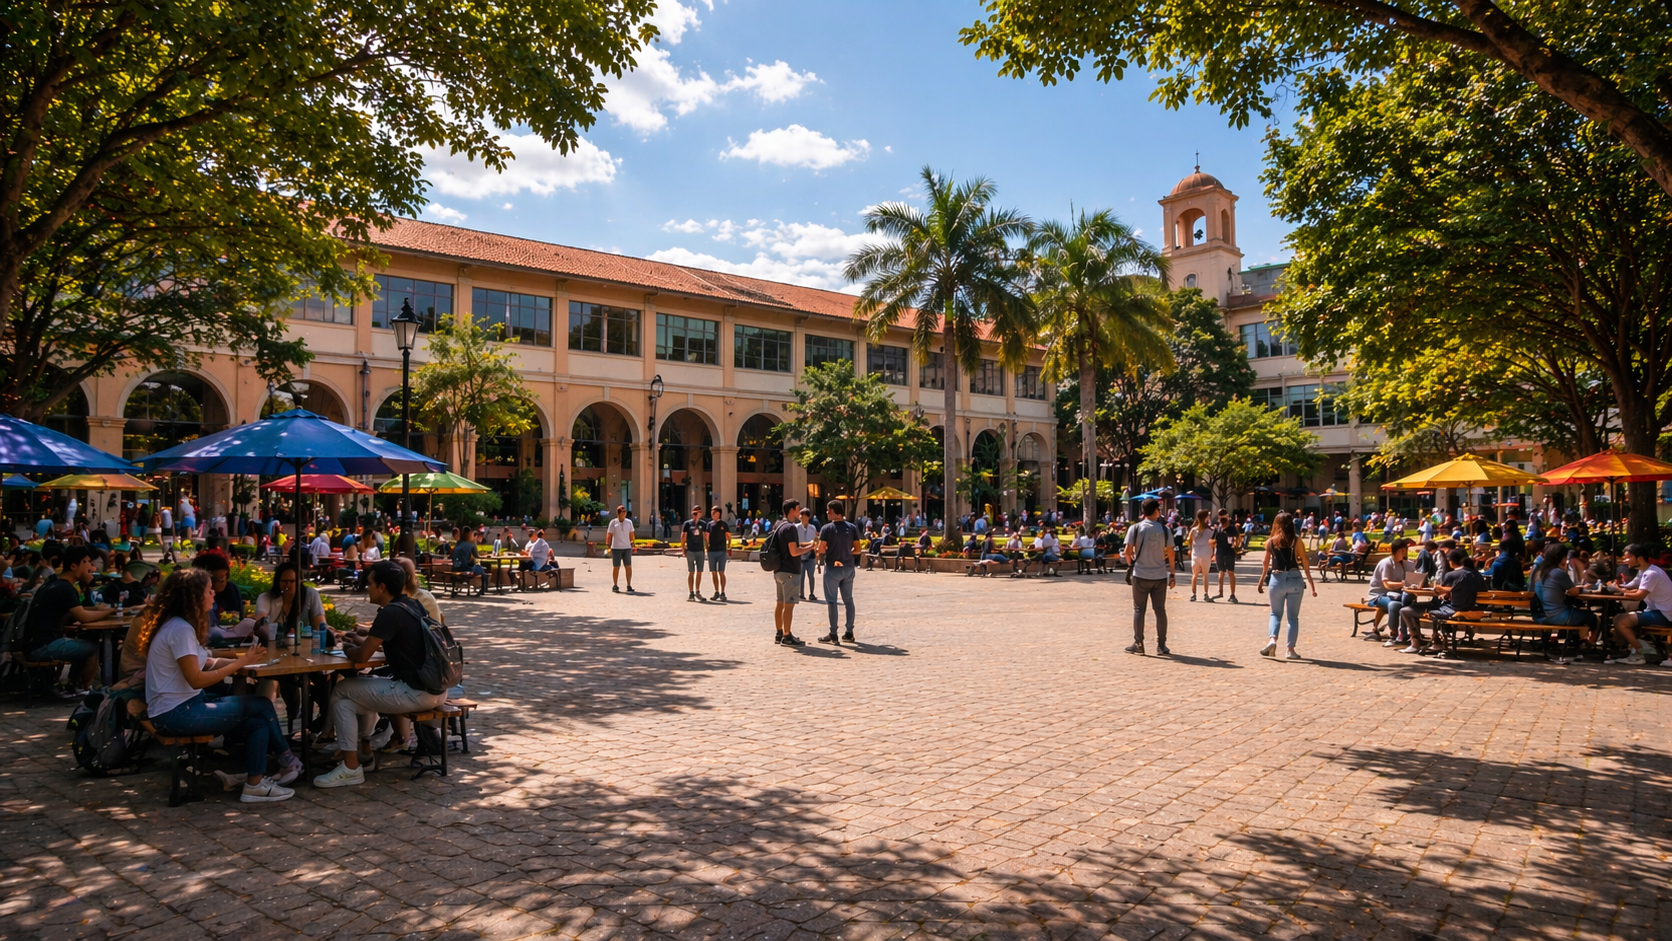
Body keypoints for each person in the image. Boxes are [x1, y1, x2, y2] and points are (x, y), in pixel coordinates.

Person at [138, 568, 300, 802]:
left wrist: (244, 662)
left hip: (180, 708)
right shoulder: (181, 630)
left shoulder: (178, 625)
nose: (213, 594)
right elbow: (196, 678)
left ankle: (255, 784)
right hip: (176, 714)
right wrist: (240, 663)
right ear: (194, 597)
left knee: (257, 722)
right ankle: (288, 760)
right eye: (209, 591)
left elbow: (205, 662)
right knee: (262, 704)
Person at [314, 561, 448, 787]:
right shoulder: (412, 605)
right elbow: (382, 643)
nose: (367, 588)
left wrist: (346, 647)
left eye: (370, 583)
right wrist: (356, 642)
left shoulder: (391, 612)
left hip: (415, 692)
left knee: (343, 688)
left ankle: (344, 758)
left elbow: (362, 656)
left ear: (382, 587)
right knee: (346, 702)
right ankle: (359, 756)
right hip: (435, 689)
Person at [21, 546, 110, 696]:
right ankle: (83, 688)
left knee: (85, 641)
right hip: (42, 646)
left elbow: (78, 610)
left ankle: (73, 685)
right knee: (92, 647)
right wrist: (109, 612)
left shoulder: (54, 581)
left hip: (32, 644)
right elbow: (83, 616)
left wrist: (97, 607)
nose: (92, 567)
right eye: (87, 562)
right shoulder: (66, 588)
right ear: (74, 566)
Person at [1398, 548, 1486, 653]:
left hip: (1454, 610)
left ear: (1451, 561)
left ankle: (1417, 642)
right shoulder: (1477, 575)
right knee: (1427, 608)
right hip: (1475, 610)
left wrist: (1441, 590)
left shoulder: (1452, 575)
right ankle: (1435, 639)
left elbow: (1440, 590)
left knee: (1406, 610)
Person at [1257, 511, 1317, 659]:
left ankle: (1272, 639)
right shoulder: (1296, 541)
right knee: (1293, 617)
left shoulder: (1271, 542)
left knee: (1275, 614)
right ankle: (1290, 650)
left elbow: (1265, 564)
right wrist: (1311, 584)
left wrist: (1261, 581)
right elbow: (1305, 562)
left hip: (1277, 579)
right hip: (1294, 578)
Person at [1606, 543, 1672, 666]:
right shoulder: (1643, 571)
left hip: (1665, 615)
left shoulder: (1651, 574)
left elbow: (1639, 595)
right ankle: (1636, 650)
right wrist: (1619, 587)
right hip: (1655, 611)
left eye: (1628, 557)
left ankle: (1640, 653)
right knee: (1625, 618)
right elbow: (1632, 587)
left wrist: (1621, 591)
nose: (1625, 561)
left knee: (1620, 620)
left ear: (1640, 558)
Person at [1123, 498, 1174, 656]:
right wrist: (1172, 574)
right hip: (1159, 575)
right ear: (1156, 511)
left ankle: (1139, 643)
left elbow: (1127, 552)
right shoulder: (1165, 530)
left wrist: (1132, 564)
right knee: (1160, 610)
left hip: (1140, 574)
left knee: (1139, 609)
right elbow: (1171, 553)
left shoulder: (1135, 528)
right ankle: (1162, 645)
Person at [1529, 543, 1593, 664]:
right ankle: (1589, 644)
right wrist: (1583, 589)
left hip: (1540, 615)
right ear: (1561, 557)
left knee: (1580, 615)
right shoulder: (1558, 572)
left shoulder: (1540, 571)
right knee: (1592, 617)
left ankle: (1578, 642)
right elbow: (1573, 592)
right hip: (1557, 616)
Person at [769, 499, 812, 646]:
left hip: (778, 569)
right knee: (789, 605)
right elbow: (794, 551)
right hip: (790, 571)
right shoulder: (791, 528)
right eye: (798, 509)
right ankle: (787, 635)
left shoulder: (779, 525)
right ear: (792, 510)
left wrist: (807, 544)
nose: (799, 512)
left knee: (780, 603)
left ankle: (779, 633)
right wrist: (810, 548)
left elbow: (788, 546)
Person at [817, 500, 860, 645]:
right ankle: (849, 632)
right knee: (848, 600)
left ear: (834, 511)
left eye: (828, 511)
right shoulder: (852, 527)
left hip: (832, 568)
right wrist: (847, 553)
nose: (827, 513)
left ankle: (833, 633)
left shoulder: (827, 529)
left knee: (832, 601)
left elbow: (821, 549)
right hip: (848, 567)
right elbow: (858, 549)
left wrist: (823, 549)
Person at [1366, 539, 1420, 646]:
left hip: (1398, 595)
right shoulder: (1386, 563)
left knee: (1410, 603)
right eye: (1401, 551)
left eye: (1404, 551)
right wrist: (1403, 584)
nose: (1403, 553)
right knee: (1394, 605)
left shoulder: (1408, 564)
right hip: (1379, 595)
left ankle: (1412, 633)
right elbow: (1387, 584)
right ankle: (1393, 633)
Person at [450, 528, 489, 594]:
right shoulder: (470, 545)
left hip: (455, 568)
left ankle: (454, 588)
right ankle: (483, 590)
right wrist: (485, 556)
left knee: (474, 566)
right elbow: (477, 556)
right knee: (482, 571)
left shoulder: (458, 543)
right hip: (465, 568)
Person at [606, 505, 635, 593]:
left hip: (627, 547)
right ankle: (615, 585)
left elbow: (631, 533)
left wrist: (632, 542)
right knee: (616, 567)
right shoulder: (613, 523)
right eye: (623, 512)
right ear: (618, 513)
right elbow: (609, 534)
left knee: (628, 566)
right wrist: (608, 545)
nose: (625, 513)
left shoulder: (629, 522)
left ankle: (629, 584)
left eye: (625, 512)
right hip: (616, 548)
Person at [682, 505, 708, 602]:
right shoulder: (687, 524)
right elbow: (683, 536)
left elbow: (706, 536)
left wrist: (707, 547)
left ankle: (697, 591)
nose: (696, 514)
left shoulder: (703, 524)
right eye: (694, 512)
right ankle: (691, 592)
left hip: (700, 550)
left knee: (699, 571)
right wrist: (683, 548)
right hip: (690, 550)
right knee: (691, 572)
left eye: (698, 512)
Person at [1212, 511, 1240, 602]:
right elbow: (1212, 540)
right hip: (1220, 552)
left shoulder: (1232, 528)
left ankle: (1232, 594)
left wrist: (1235, 544)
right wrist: (1212, 551)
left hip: (1229, 552)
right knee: (1221, 572)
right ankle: (1220, 592)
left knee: (1230, 572)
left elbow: (1238, 538)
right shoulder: (1218, 529)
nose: (1223, 525)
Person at [1187, 510, 1214, 602]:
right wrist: (1213, 552)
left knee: (1194, 575)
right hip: (1206, 554)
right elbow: (1213, 543)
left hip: (1196, 554)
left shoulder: (1194, 530)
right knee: (1205, 575)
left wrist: (1191, 549)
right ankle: (1206, 594)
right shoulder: (1210, 531)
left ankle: (1193, 594)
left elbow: (1189, 540)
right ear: (1206, 518)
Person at [705, 506, 730, 602]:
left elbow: (728, 536)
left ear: (718, 513)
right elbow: (706, 536)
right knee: (713, 572)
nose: (712, 514)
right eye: (711, 512)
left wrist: (728, 546)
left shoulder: (724, 524)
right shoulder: (709, 525)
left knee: (721, 572)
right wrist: (707, 547)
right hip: (712, 551)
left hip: (722, 551)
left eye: (714, 512)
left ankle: (723, 592)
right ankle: (716, 591)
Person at [796, 507, 820, 601]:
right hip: (800, 554)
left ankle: (812, 593)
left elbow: (815, 540)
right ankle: (801, 593)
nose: (801, 517)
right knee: (801, 576)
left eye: (803, 515)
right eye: (800, 515)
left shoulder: (812, 528)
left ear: (808, 517)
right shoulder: (796, 528)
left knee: (811, 575)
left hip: (811, 555)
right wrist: (809, 544)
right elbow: (797, 543)